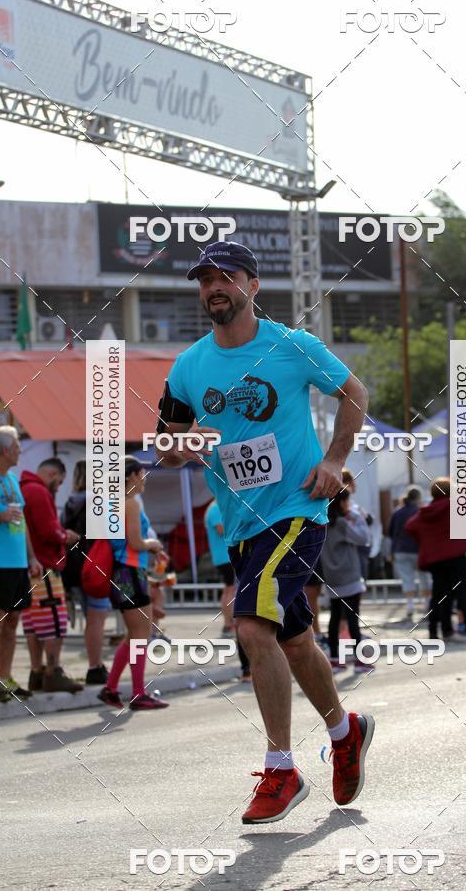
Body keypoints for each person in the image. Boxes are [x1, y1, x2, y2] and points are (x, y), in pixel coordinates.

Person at [157, 240, 374, 824]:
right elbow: (167, 444)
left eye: (224, 277)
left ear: (252, 285)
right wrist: (183, 445)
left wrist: (334, 459)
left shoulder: (292, 345)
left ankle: (282, 768)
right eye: (204, 281)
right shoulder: (188, 366)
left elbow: (355, 393)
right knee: (294, 641)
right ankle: (344, 729)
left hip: (297, 509)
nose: (213, 288)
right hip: (240, 525)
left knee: (252, 624)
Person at [98, 456, 169, 710]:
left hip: (120, 571)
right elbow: (137, 543)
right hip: (130, 571)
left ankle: (112, 688)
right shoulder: (130, 503)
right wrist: (154, 545)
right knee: (141, 635)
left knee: (134, 635)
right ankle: (138, 693)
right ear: (131, 476)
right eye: (142, 474)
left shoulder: (111, 502)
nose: (145, 479)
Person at [20, 458, 83, 694]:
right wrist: (64, 535)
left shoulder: (25, 488)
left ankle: (37, 672)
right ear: (52, 473)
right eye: (59, 481)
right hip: (45, 567)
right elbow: (49, 531)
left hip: (31, 569)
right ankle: (53, 671)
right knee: (54, 622)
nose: (58, 487)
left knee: (34, 624)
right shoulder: (37, 491)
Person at [0, 426, 40, 701]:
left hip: (18, 561)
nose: (21, 450)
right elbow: (4, 516)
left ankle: (5, 677)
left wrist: (31, 557)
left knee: (12, 620)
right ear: (6, 450)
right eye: (18, 446)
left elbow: (22, 520)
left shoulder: (12, 479)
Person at [405, 478, 466, 642]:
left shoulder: (426, 511)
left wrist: (426, 539)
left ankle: (435, 631)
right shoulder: (455, 505)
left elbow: (410, 527)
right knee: (461, 593)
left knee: (439, 595)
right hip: (456, 555)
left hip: (435, 558)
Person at [61, 459, 110, 685]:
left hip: (72, 567)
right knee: (96, 618)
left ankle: (94, 664)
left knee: (89, 616)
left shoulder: (69, 503)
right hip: (95, 565)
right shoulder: (97, 501)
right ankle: (96, 666)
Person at [321, 488, 372, 673]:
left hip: (332, 578)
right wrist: (356, 516)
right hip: (349, 576)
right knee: (353, 618)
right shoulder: (342, 524)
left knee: (335, 617)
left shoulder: (323, 524)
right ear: (342, 503)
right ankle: (360, 660)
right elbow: (364, 538)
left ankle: (335, 659)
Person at [204, 498, 251, 681]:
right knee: (231, 590)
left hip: (225, 555)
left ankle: (228, 622)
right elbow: (222, 529)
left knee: (229, 589)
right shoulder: (216, 507)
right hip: (225, 555)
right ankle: (228, 622)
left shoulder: (217, 506)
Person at [387, 485, 430, 619]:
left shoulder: (397, 512)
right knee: (425, 577)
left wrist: (391, 552)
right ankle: (427, 603)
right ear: (419, 498)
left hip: (400, 549)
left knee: (407, 579)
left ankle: (410, 605)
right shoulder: (421, 511)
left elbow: (390, 533)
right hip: (419, 549)